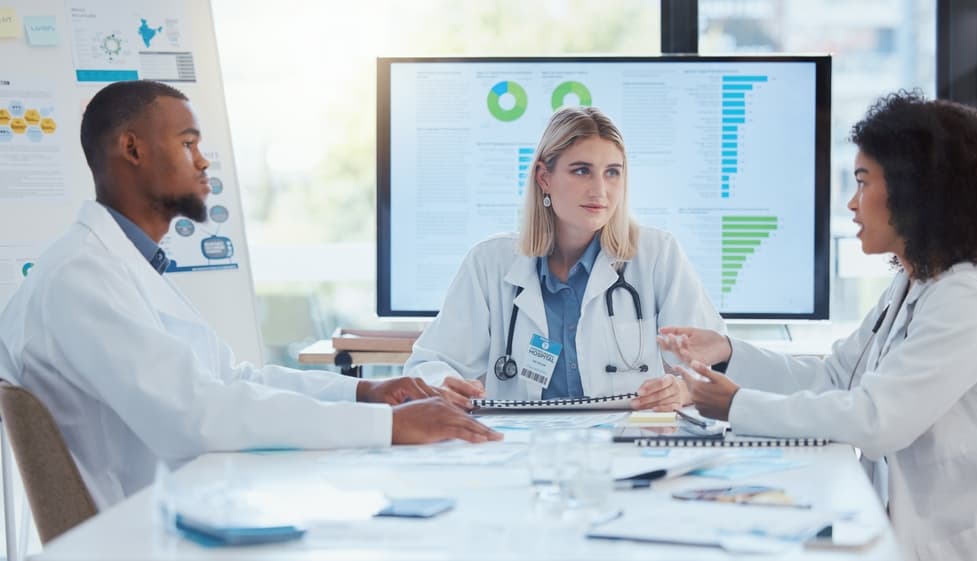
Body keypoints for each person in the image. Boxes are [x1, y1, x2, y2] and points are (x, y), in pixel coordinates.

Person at [0, 80, 500, 510]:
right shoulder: (80, 277)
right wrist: (385, 425)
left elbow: (232, 379)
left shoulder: (120, 265)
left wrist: (363, 393)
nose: (204, 162)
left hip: (183, 504)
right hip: (142, 528)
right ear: (133, 149)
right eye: (188, 144)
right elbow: (197, 418)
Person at [658, 91, 977, 559]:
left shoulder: (969, 298)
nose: (851, 204)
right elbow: (836, 378)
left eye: (863, 182)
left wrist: (735, 405)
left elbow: (877, 420)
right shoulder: (912, 284)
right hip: (894, 533)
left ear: (916, 190)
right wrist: (728, 352)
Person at [405, 107, 724, 410]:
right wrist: (443, 384)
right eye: (582, 171)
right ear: (544, 177)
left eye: (612, 173)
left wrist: (683, 390)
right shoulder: (489, 263)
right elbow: (429, 364)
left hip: (626, 436)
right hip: (521, 440)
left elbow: (712, 364)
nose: (600, 190)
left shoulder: (657, 255)